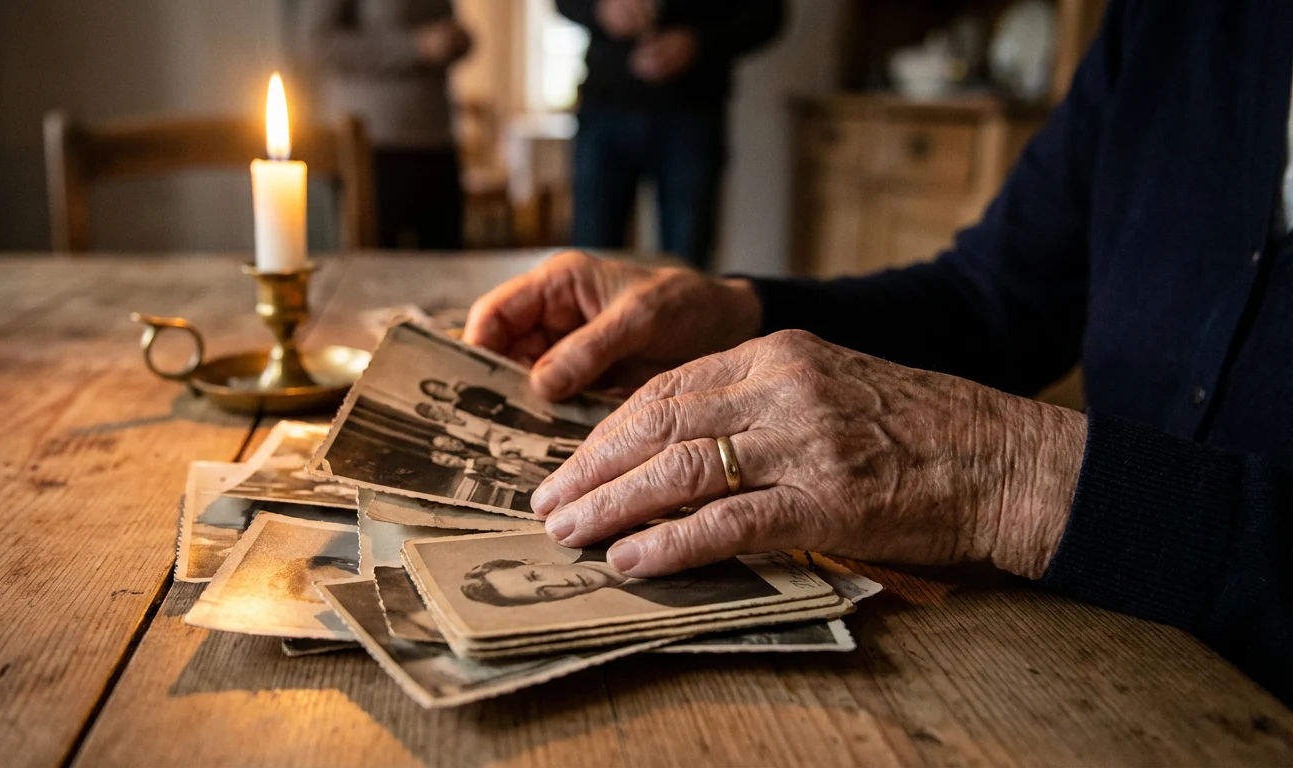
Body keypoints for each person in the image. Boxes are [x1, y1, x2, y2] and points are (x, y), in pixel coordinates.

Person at [461, 1, 1293, 704]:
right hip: (1089, 665)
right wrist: (735, 310)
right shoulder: (1176, 20)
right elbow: (990, 301)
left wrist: (1015, 475)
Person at [555, 0, 785, 269]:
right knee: (589, 261)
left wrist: (699, 44)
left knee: (686, 266)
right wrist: (600, 9)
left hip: (693, 112)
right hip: (605, 107)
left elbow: (766, 15)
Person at [301, 0, 471, 249]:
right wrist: (414, 46)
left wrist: (458, 41)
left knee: (449, 260)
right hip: (377, 144)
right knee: (374, 264)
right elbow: (318, 42)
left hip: (437, 138)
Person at [460, 549, 778, 608]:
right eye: (543, 593)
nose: (560, 586)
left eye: (535, 575)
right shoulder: (673, 604)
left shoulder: (607, 532)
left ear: (531, 560)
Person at [419, 378, 592, 439]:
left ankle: (590, 434)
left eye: (438, 387)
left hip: (517, 413)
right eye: (435, 392)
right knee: (552, 438)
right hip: (509, 426)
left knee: (558, 427)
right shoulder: (458, 409)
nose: (440, 391)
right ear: (436, 397)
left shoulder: (470, 391)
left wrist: (533, 410)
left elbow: (506, 399)